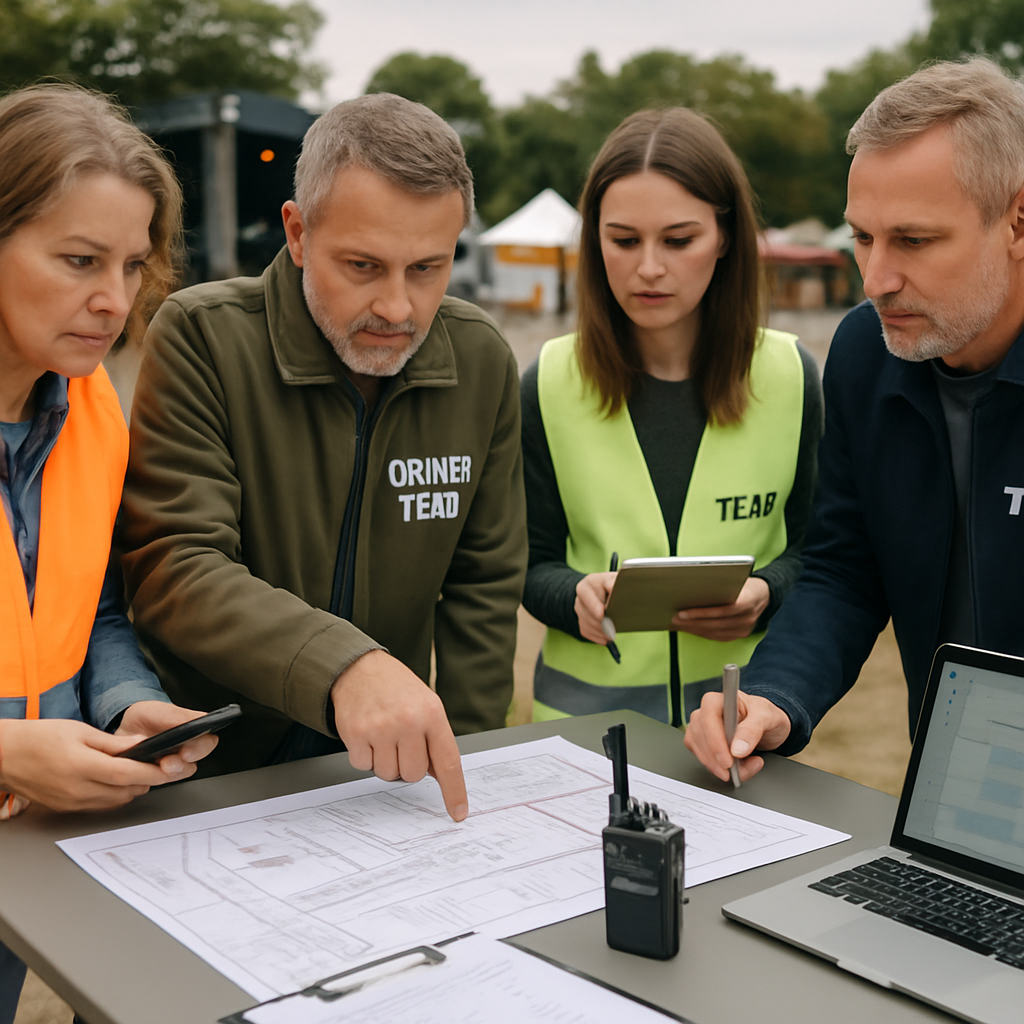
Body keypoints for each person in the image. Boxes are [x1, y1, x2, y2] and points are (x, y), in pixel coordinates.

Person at [118, 93, 526, 822]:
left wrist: (471, 762)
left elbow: (484, 586)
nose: (398, 307)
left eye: (427, 268)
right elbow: (174, 566)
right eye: (363, 266)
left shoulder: (481, 358)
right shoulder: (203, 337)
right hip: (211, 778)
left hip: (381, 787)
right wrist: (343, 666)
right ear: (298, 232)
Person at [685, 57, 1024, 784]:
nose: (875, 280)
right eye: (863, 238)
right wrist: (775, 696)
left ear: (1018, 221)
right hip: (948, 783)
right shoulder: (866, 353)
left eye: (914, 240)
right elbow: (845, 569)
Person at [0, 84, 218, 1024]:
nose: (115, 301)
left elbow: (88, 610)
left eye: (132, 264)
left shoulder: (91, 408)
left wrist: (131, 705)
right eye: (80, 260)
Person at [521, 107, 823, 726]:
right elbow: (525, 564)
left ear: (726, 237)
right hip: (584, 738)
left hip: (741, 728)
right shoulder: (547, 382)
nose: (650, 267)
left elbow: (824, 554)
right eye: (624, 240)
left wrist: (767, 592)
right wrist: (572, 595)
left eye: (679, 240)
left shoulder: (792, 376)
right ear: (594, 240)